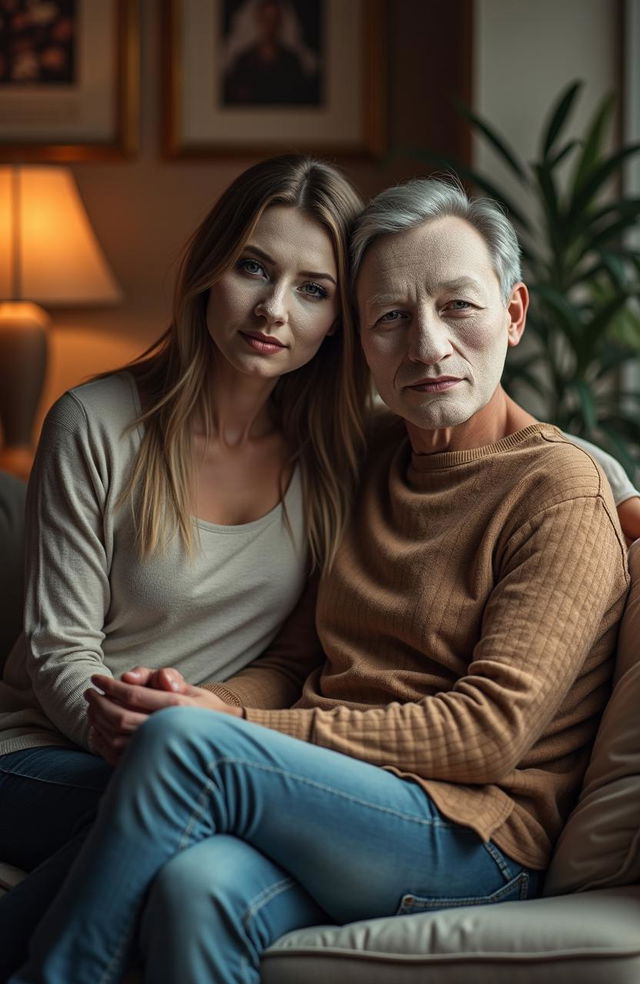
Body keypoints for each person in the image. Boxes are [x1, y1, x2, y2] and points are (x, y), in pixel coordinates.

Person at [11, 177, 631, 984]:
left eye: (459, 307)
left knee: (186, 749)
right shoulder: (365, 460)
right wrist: (209, 705)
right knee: (197, 887)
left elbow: (488, 734)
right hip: (340, 806)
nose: (428, 346)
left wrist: (226, 729)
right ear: (359, 342)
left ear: (513, 314)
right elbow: (295, 663)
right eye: (391, 318)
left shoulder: (558, 489)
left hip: (475, 834)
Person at [0, 154, 368, 976]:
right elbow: (61, 650)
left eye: (314, 289)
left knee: (195, 805)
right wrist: (136, 735)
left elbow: (289, 657)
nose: (274, 309)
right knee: (201, 809)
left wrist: (620, 493)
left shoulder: (343, 453)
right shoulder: (94, 422)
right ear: (209, 270)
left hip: (204, 748)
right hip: (41, 750)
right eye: (254, 267)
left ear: (341, 317)